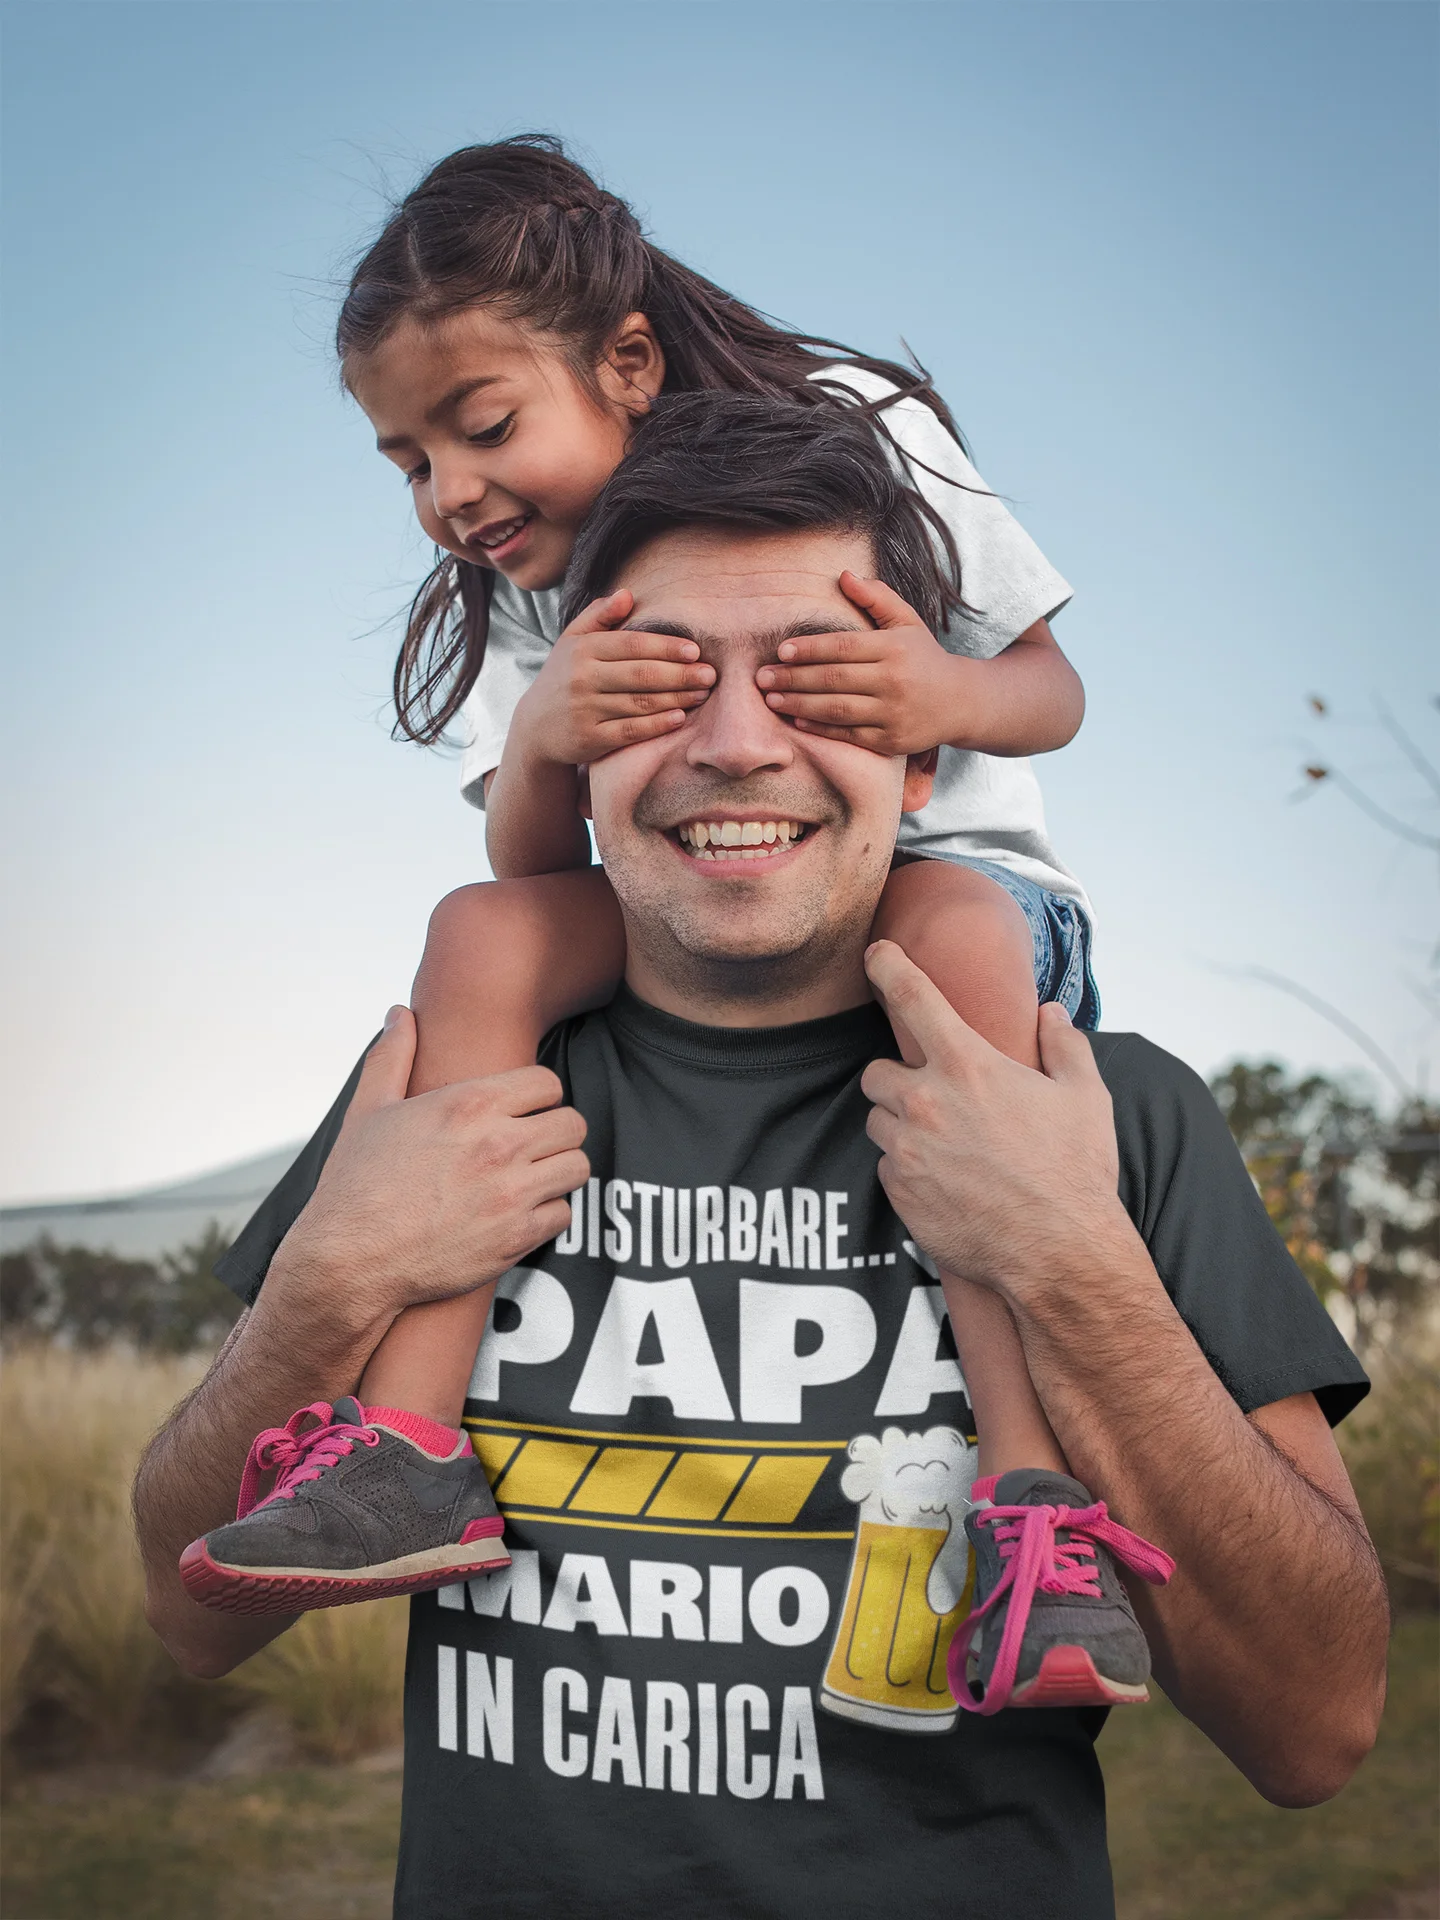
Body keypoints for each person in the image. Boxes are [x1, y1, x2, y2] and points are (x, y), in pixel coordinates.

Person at [135, 395, 1386, 1920]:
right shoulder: (447, 1093)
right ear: (576, 749)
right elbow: (184, 1619)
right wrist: (326, 1284)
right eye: (662, 683)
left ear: (926, 760)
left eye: (817, 680)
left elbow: (1320, 1731)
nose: (735, 746)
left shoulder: (1110, 1115)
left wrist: (1072, 1259)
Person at [178, 138, 1113, 1670]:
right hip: (706, 892)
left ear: (624, 359)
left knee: (953, 932)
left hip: (955, 886)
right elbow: (532, 873)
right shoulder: (531, 586)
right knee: (475, 938)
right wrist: (547, 726)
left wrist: (934, 688)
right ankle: (407, 1450)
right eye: (410, 463)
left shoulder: (854, 428)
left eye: (479, 428)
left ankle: (1029, 1506)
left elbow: (1052, 686)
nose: (450, 493)